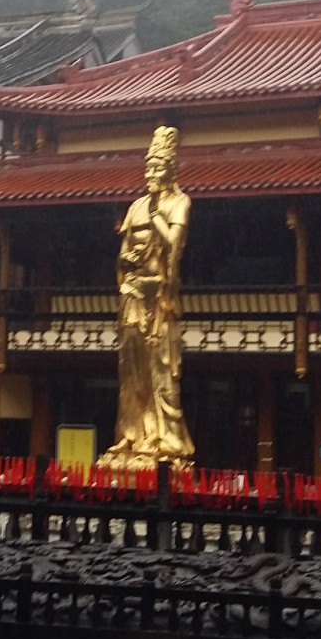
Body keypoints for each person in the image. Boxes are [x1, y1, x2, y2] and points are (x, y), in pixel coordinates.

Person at [96, 126, 195, 471]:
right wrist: (127, 263)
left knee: (162, 370)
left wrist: (155, 216)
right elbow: (122, 253)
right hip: (134, 293)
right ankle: (131, 436)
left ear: (172, 169)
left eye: (158, 167)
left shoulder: (180, 203)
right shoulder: (135, 205)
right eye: (148, 167)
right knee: (130, 370)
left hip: (161, 298)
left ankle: (166, 441)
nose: (151, 173)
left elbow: (174, 247)